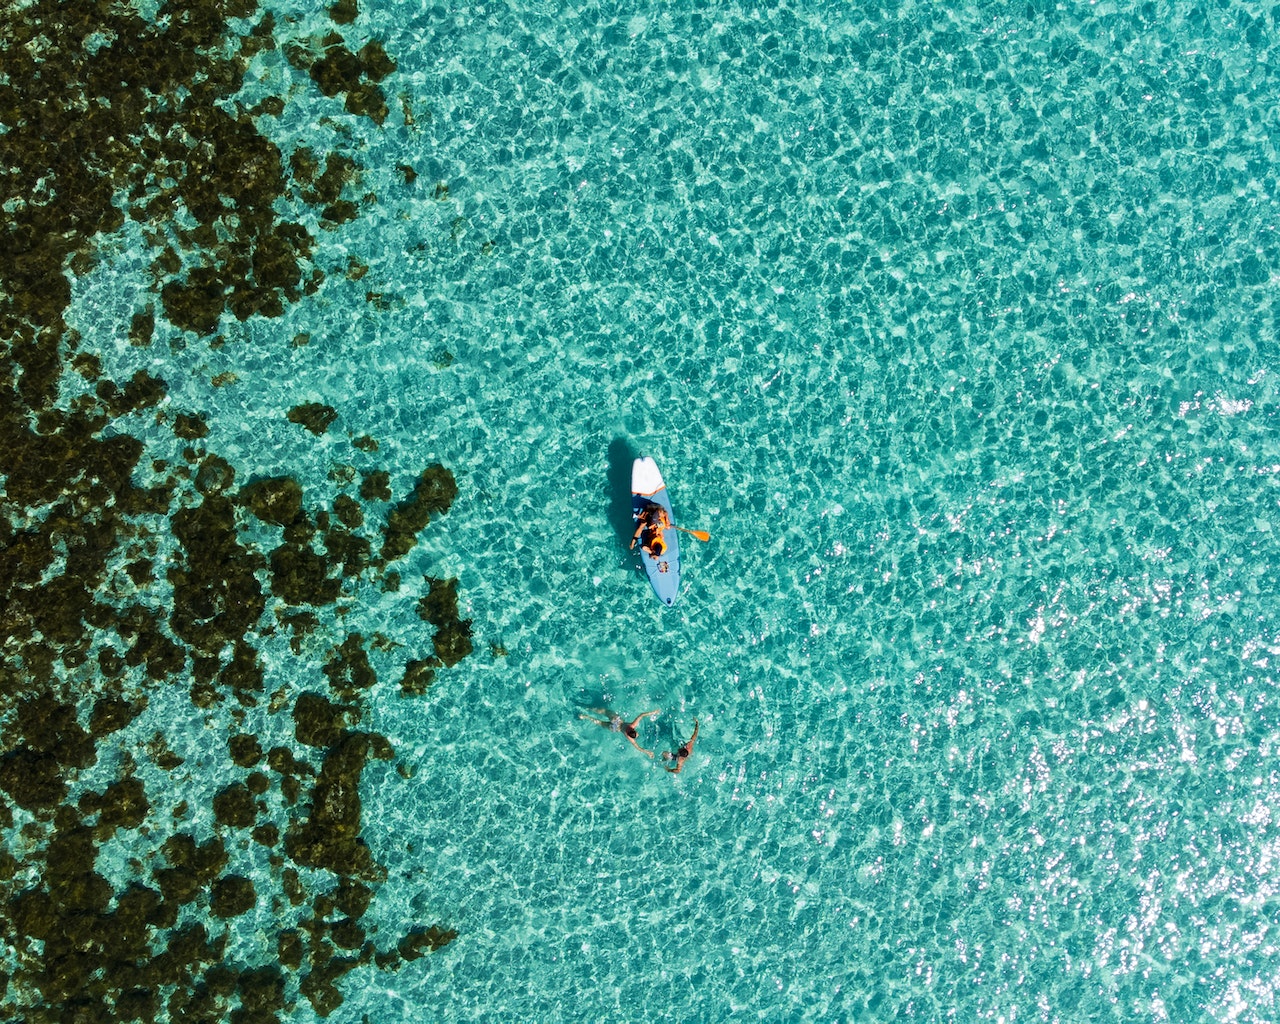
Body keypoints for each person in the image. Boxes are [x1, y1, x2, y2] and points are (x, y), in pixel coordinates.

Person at [579, 708, 660, 757]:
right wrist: (647, 752)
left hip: (617, 720)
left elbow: (641, 715)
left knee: (604, 711)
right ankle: (585, 717)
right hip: (615, 728)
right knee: (600, 723)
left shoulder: (632, 725)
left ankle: (589, 709)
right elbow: (637, 747)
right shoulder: (628, 736)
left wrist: (653, 712)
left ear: (634, 730)